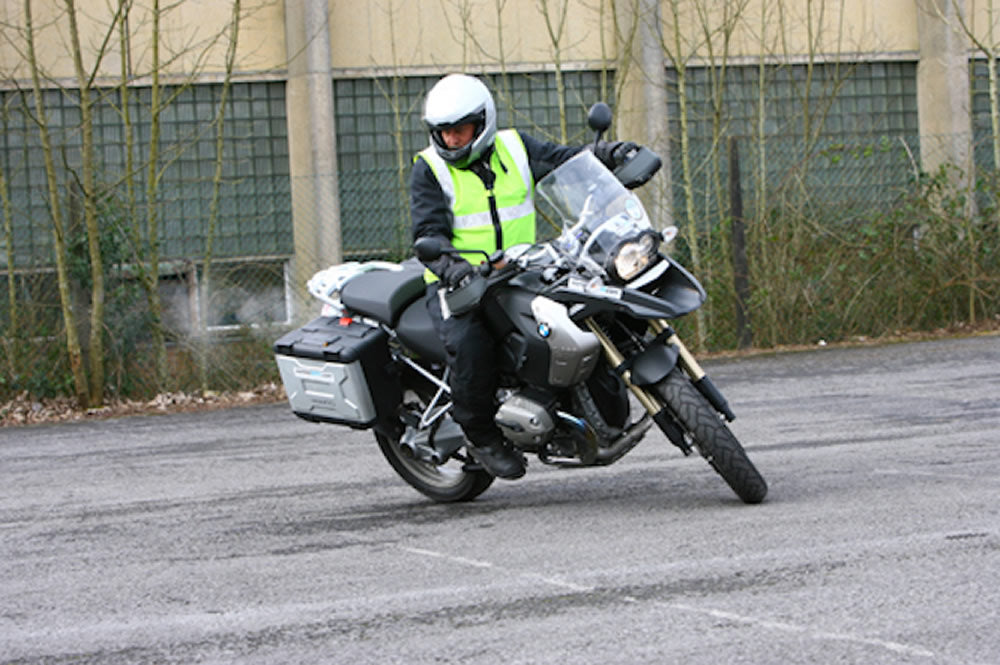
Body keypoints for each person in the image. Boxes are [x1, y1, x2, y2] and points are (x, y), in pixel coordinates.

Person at [410, 73, 636, 479]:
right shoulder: (430, 169)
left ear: (483, 123)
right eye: (444, 134)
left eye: (460, 131)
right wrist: (455, 269)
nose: (452, 141)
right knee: (471, 346)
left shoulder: (514, 147)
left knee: (586, 311)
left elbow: (565, 161)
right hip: (459, 282)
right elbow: (428, 233)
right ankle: (481, 436)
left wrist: (611, 155)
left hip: (520, 268)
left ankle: (594, 410)